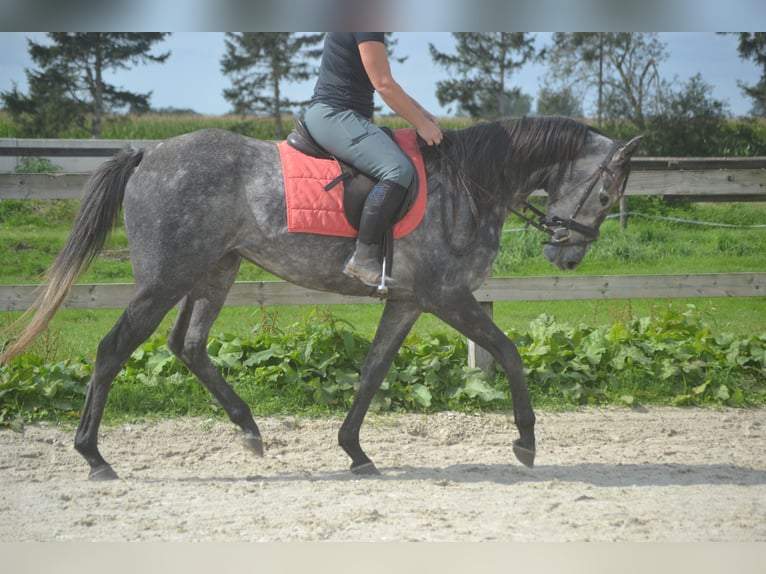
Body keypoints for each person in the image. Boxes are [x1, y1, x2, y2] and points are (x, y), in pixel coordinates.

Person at [304, 32, 443, 288]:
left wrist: (423, 114)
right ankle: (363, 256)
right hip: (336, 115)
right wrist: (421, 125)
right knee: (398, 170)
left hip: (342, 115)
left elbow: (387, 84)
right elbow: (383, 84)